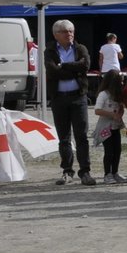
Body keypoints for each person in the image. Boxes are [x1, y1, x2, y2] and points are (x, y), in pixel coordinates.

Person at [45, 19, 95, 186]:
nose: (70, 35)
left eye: (71, 31)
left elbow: (85, 66)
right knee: (64, 138)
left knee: (82, 136)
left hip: (78, 97)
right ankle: (67, 171)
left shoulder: (80, 49)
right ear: (56, 34)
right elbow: (52, 71)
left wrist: (64, 66)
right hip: (59, 98)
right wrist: (73, 70)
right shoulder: (50, 50)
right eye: (65, 32)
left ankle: (85, 171)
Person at [92, 69, 126, 184]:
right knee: (109, 151)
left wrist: (120, 113)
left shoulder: (117, 95)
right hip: (106, 127)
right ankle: (107, 174)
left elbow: (121, 108)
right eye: (119, 81)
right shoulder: (103, 94)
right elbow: (97, 110)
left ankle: (115, 172)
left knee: (118, 150)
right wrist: (111, 115)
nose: (121, 83)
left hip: (115, 127)